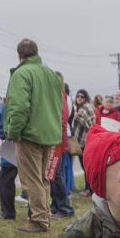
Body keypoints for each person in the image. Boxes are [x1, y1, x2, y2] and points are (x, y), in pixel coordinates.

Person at [2, 39, 64, 233]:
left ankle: (39, 220)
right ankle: (44, 216)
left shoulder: (21, 73)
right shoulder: (51, 74)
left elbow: (20, 107)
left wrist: (13, 132)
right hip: (50, 132)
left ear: (19, 55)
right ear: (36, 53)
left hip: (29, 134)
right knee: (43, 178)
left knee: (31, 180)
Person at [49, 72, 75, 218]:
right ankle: (55, 205)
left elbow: (62, 119)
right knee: (52, 175)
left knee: (57, 175)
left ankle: (65, 208)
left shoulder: (60, 95)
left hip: (57, 141)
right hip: (55, 140)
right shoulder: (56, 94)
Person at [0, 99, 18, 220]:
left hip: (10, 143)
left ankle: (8, 212)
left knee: (5, 178)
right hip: (26, 142)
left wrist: (2, 134)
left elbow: (2, 128)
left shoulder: (7, 104)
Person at [72, 89, 95, 197]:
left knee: (85, 167)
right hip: (90, 140)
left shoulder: (82, 110)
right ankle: (90, 189)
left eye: (82, 96)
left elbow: (77, 127)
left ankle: (88, 190)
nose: (79, 98)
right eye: (78, 96)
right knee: (88, 167)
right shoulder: (90, 106)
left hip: (83, 141)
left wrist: (72, 140)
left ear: (85, 98)